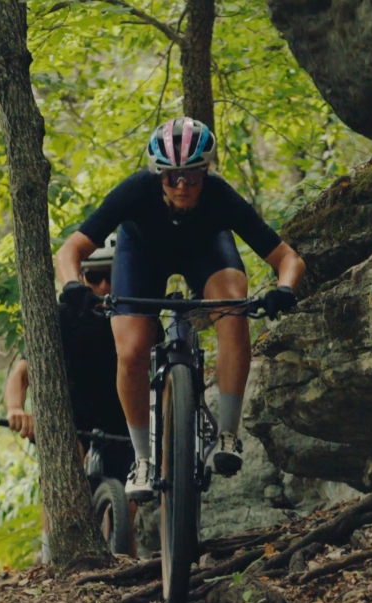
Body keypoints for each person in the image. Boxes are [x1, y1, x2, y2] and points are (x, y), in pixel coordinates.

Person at [55, 117, 306, 501]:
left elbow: (288, 258)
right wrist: (73, 285)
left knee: (233, 305)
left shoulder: (220, 196)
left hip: (205, 253)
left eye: (192, 175)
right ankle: (142, 460)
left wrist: (284, 290)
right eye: (172, 177)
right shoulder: (135, 191)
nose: (183, 185)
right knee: (133, 349)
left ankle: (226, 434)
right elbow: (71, 251)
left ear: (206, 171)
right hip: (142, 257)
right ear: (158, 175)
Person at [4, 236, 136, 559]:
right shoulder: (62, 316)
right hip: (71, 420)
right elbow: (21, 374)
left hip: (122, 422)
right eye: (94, 277)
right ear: (81, 279)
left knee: (131, 495)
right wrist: (16, 408)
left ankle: (127, 562)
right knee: (59, 474)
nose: (103, 286)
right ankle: (51, 557)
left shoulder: (136, 316)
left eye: (111, 276)